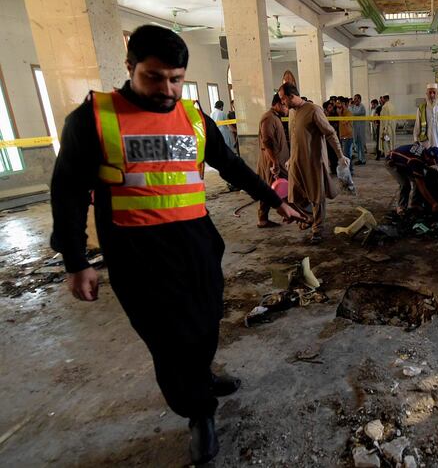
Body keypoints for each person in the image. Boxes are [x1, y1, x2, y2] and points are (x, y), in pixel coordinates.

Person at [49, 25, 303, 465]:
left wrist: (273, 200)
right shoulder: (93, 119)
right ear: (130, 68)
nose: (167, 89)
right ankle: (198, 411)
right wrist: (76, 261)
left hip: (197, 243)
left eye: (176, 78)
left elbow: (230, 165)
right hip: (136, 254)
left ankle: (201, 374)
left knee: (205, 321)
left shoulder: (192, 117)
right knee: (167, 340)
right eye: (154, 77)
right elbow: (67, 192)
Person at [279, 83, 349, 244]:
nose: (282, 102)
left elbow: (330, 133)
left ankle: (318, 229)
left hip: (314, 162)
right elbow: (295, 138)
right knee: (294, 195)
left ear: (291, 96)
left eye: (283, 98)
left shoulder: (313, 110)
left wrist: (340, 155)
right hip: (296, 161)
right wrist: (291, 157)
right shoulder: (291, 113)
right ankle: (309, 217)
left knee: (317, 196)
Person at [257, 94, 291, 228]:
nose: (287, 108)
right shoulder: (268, 118)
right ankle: (290, 215)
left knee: (268, 190)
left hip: (277, 161)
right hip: (272, 163)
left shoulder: (275, 117)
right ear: (277, 103)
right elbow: (267, 142)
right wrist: (275, 163)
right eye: (284, 105)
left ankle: (263, 218)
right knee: (275, 189)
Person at [385, 143, 438, 214]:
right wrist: (433, 203)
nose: (433, 164)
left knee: (417, 180)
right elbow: (421, 185)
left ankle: (415, 204)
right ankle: (401, 207)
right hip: (392, 162)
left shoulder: (424, 152)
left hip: (405, 161)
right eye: (433, 161)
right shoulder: (416, 161)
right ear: (429, 157)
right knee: (405, 184)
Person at [413, 83, 438, 150]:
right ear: (426, 94)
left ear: (437, 93)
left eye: (434, 92)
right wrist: (415, 139)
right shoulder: (421, 108)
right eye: (430, 92)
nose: (432, 95)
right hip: (426, 142)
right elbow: (417, 125)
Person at [337, 99, 355, 175]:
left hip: (348, 136)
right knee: (344, 155)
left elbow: (344, 122)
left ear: (345, 104)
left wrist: (340, 114)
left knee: (347, 155)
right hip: (342, 136)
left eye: (341, 104)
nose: (339, 106)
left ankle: (350, 170)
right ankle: (348, 170)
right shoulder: (342, 112)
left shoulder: (348, 113)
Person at [350, 94, 368, 165]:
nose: (355, 100)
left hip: (360, 128)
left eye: (357, 99)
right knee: (357, 144)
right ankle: (359, 158)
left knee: (361, 144)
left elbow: (355, 113)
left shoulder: (362, 107)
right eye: (354, 99)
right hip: (355, 128)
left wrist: (350, 108)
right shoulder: (353, 106)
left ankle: (362, 160)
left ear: (360, 99)